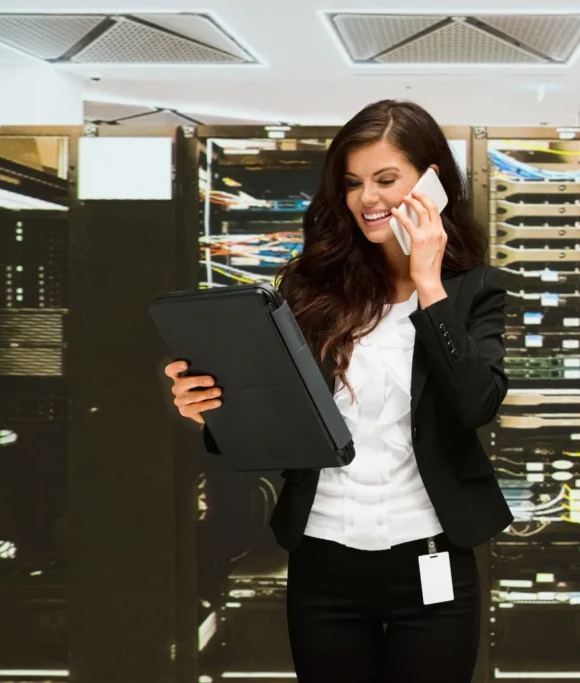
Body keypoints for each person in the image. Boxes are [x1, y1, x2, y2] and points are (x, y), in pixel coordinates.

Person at [162, 99, 513, 682]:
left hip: (431, 557)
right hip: (324, 562)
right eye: (352, 183)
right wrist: (214, 412)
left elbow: (477, 402)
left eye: (385, 179)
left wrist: (429, 281)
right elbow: (272, 414)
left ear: (432, 183)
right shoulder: (309, 287)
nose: (367, 199)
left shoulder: (474, 292)